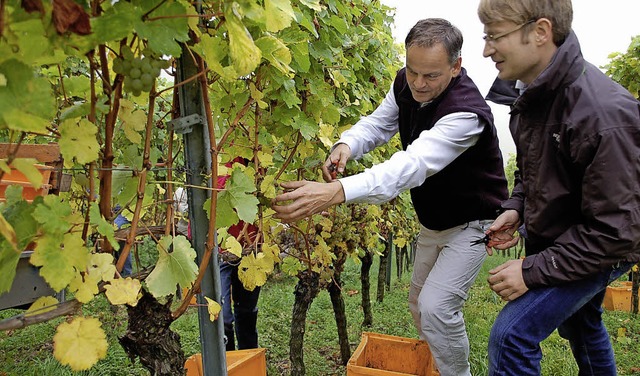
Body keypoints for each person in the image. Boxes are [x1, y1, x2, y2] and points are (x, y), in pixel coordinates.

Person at [273, 18, 508, 375]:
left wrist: (337, 192)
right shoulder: (406, 83)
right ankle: (438, 365)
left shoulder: (466, 115)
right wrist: (346, 143)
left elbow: (411, 165)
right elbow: (380, 122)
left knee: (436, 308)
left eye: (430, 76)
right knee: (418, 305)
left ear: (456, 66)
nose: (418, 83)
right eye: (412, 71)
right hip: (434, 220)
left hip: (474, 223)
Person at [478, 1, 640, 374]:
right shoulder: (532, 95)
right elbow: (532, 171)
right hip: (580, 235)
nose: (486, 49)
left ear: (540, 32)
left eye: (494, 36)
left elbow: (614, 231)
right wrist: (517, 207)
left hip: (604, 243)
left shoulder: (602, 114)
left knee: (511, 335)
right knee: (579, 324)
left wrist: (532, 271)